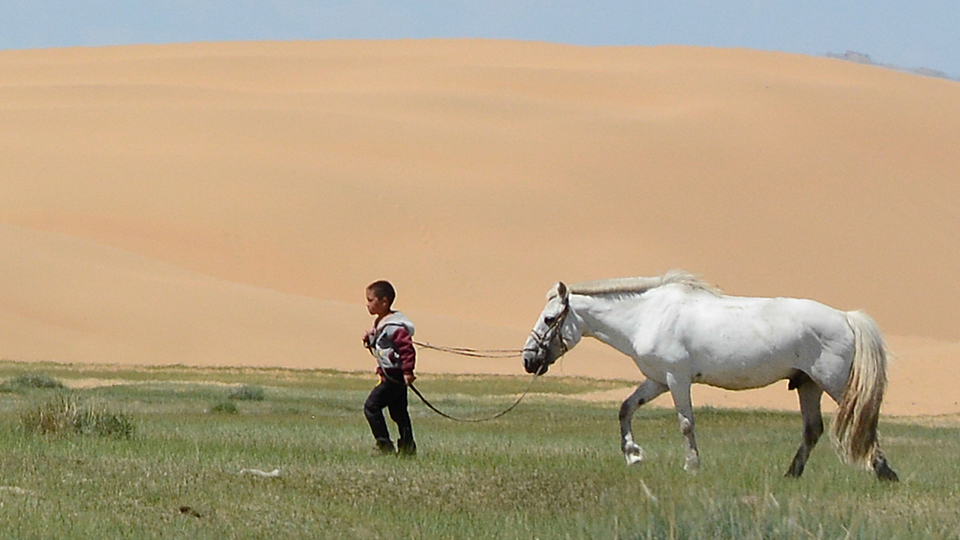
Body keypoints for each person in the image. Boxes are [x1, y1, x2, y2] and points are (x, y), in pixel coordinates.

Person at [362, 280, 417, 456]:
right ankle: (408, 448)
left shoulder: (394, 326)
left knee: (371, 406)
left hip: (394, 377)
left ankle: (384, 445)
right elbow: (383, 347)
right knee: (399, 413)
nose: (368, 304)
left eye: (371, 300)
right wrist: (370, 339)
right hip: (390, 376)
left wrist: (408, 371)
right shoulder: (382, 323)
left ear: (384, 302)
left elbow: (407, 349)